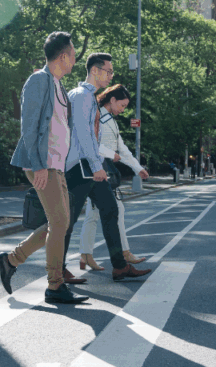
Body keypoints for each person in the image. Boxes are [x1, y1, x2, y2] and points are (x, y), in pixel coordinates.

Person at [0, 31, 88, 305]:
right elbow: (29, 127)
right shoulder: (39, 81)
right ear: (62, 56)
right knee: (59, 222)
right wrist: (39, 166)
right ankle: (54, 285)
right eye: (72, 55)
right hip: (42, 164)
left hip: (56, 165)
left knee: (58, 222)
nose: (74, 60)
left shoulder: (58, 86)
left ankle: (11, 260)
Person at [64, 54, 151, 282]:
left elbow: (99, 140)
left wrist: (134, 167)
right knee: (67, 220)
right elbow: (85, 136)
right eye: (108, 71)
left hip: (88, 167)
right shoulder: (82, 97)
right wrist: (97, 165)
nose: (111, 76)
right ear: (95, 70)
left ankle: (120, 267)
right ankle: (52, 268)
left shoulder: (89, 98)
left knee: (110, 210)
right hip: (79, 167)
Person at [78, 84, 150, 271]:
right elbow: (90, 143)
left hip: (103, 171)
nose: (123, 110)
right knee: (114, 210)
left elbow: (123, 148)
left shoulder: (111, 120)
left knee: (94, 215)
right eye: (122, 105)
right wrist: (112, 154)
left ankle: (86, 255)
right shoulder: (98, 117)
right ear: (112, 100)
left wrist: (137, 168)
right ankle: (122, 253)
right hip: (97, 171)